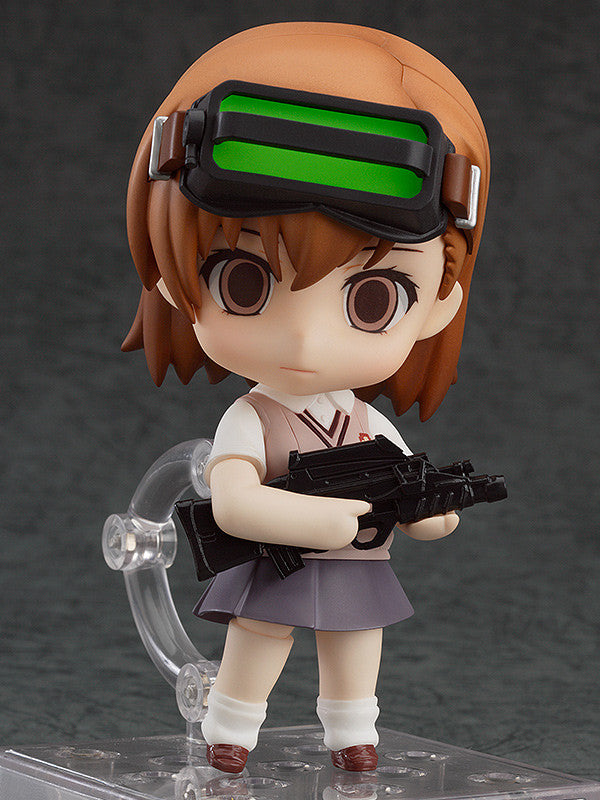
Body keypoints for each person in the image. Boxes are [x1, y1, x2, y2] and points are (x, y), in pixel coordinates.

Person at [122, 22, 490, 773]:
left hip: (354, 563)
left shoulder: (365, 421)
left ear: (440, 304)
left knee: (356, 643)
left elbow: (407, 485)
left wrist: (428, 510)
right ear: (173, 276)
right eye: (245, 282)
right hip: (276, 557)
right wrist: (313, 518)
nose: (305, 341)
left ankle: (353, 734)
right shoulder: (252, 418)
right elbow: (233, 504)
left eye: (373, 298)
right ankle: (231, 728)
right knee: (258, 637)